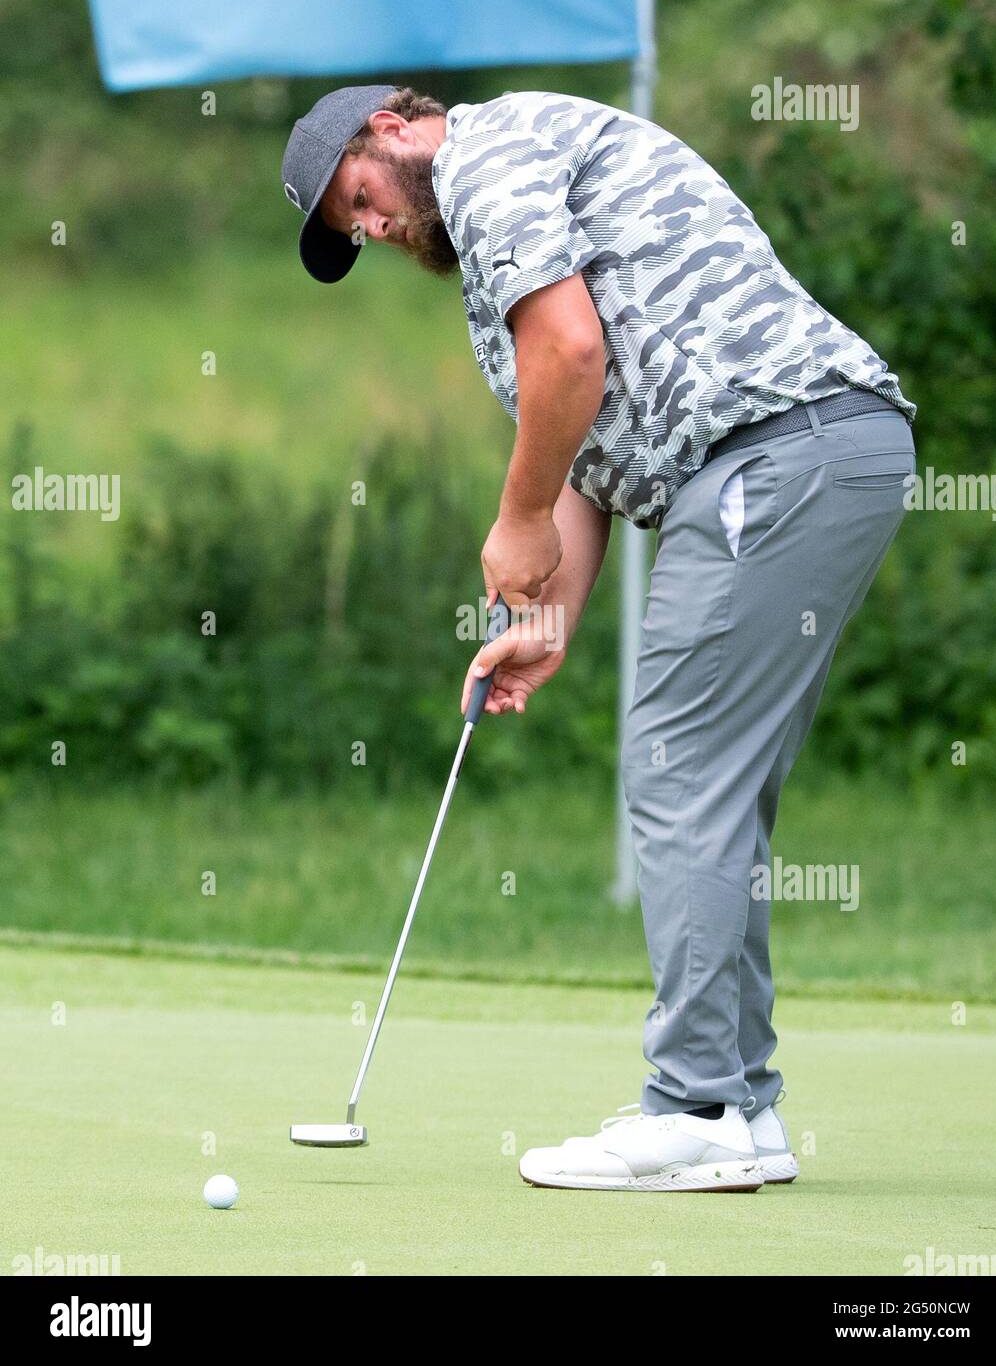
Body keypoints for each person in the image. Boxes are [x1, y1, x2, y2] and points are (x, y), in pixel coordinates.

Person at [281, 85, 916, 1192]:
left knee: (678, 772)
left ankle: (697, 1105)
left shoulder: (490, 157)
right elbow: (579, 430)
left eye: (359, 200)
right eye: (357, 232)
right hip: (811, 453)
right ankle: (743, 1108)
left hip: (772, 453)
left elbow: (570, 355)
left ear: (389, 125)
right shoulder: (489, 248)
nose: (374, 228)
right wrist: (542, 619)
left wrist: (517, 520)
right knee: (716, 786)